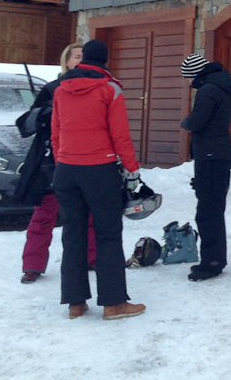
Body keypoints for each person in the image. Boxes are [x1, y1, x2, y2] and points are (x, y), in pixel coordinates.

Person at [51, 39, 146, 320]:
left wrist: (62, 161)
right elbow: (120, 135)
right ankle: (114, 303)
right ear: (106, 60)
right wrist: (132, 169)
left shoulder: (60, 90)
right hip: (99, 169)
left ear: (82, 60)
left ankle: (75, 303)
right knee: (107, 235)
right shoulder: (109, 89)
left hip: (66, 169)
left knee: (73, 234)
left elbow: (56, 133)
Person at [16, 43, 98, 282]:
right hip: (51, 161)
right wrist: (47, 111)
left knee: (90, 213)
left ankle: (92, 257)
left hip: (84, 158)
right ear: (67, 61)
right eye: (77, 57)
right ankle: (32, 265)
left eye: (85, 58)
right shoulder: (52, 89)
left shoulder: (97, 88)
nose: (81, 62)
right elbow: (25, 125)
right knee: (44, 214)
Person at [179, 52, 231, 282]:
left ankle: (211, 262)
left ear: (195, 74)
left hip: (210, 154)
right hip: (220, 152)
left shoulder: (207, 89)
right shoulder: (224, 84)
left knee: (207, 211)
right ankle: (215, 258)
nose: (188, 83)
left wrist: (185, 123)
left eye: (188, 78)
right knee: (213, 207)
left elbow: (197, 120)